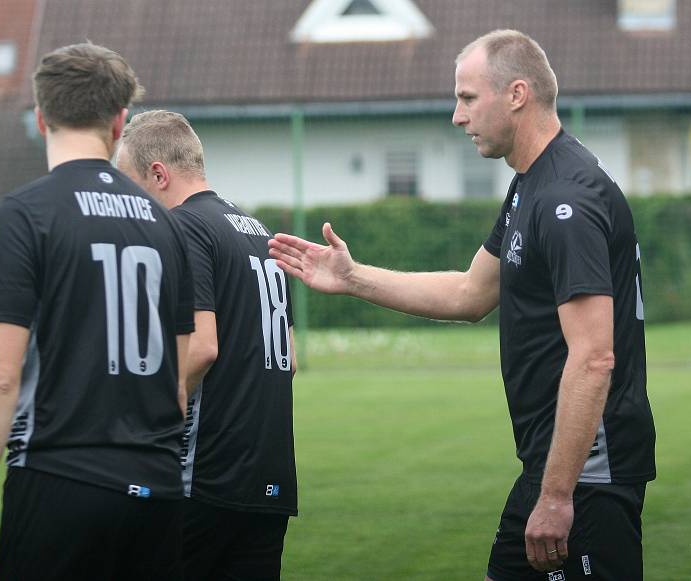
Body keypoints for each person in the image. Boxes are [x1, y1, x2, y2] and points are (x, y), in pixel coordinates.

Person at [269, 29, 655, 581]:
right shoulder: (531, 185)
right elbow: (469, 294)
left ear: (516, 94)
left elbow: (594, 357)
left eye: (468, 98)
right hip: (552, 470)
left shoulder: (566, 197)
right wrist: (354, 278)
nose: (457, 115)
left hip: (586, 476)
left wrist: (557, 496)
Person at [0, 44, 194, 581]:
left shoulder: (24, 214)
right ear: (119, 121)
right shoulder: (167, 224)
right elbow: (177, 387)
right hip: (156, 489)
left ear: (41, 117)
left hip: (59, 482)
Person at [116, 110, 297, 581]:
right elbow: (290, 360)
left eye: (128, 183)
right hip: (266, 475)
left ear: (158, 175)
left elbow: (201, 348)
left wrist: (139, 426)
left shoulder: (183, 227)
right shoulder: (256, 231)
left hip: (204, 476)